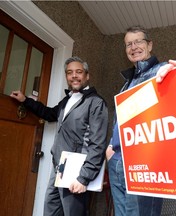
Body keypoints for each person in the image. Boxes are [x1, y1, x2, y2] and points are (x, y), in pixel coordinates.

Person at [10, 56, 108, 216]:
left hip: (77, 171)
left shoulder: (96, 102)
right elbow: (49, 114)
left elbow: (97, 144)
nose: (74, 76)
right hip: (59, 168)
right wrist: (25, 100)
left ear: (87, 75)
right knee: (51, 212)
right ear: (66, 77)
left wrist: (84, 177)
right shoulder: (66, 101)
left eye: (79, 72)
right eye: (70, 73)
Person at [106, 25, 176, 216]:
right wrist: (110, 147)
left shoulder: (160, 71)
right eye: (128, 44)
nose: (133, 47)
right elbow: (120, 120)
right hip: (117, 161)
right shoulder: (127, 83)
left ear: (150, 45)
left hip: (144, 161)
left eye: (138, 41)